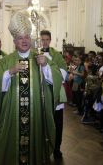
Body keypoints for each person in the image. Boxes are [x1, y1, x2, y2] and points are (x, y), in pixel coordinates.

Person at [0, 11, 62, 165]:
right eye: (20, 38)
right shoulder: (7, 60)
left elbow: (55, 79)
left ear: (30, 39)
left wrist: (45, 67)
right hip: (12, 113)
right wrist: (10, 72)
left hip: (35, 112)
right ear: (14, 41)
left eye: (26, 37)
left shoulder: (40, 58)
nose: (24, 40)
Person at [40, 29, 67, 159]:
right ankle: (42, 147)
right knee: (41, 122)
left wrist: (48, 69)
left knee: (57, 123)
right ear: (40, 40)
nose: (44, 42)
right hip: (40, 94)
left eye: (47, 39)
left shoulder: (57, 55)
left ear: (50, 40)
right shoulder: (35, 54)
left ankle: (57, 148)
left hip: (55, 93)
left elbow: (63, 74)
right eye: (42, 39)